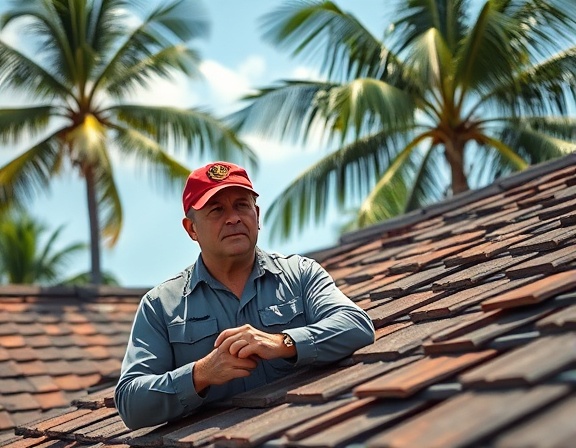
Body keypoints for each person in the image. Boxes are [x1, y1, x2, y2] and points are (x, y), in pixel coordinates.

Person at [114, 161, 375, 429]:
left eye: (242, 205)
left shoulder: (300, 274)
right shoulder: (160, 306)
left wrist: (283, 343)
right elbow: (131, 404)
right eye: (217, 210)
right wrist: (201, 373)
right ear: (191, 229)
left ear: (257, 215)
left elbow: (356, 325)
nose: (234, 218)